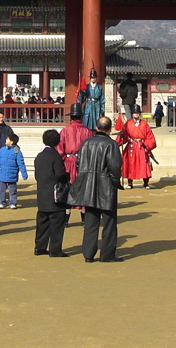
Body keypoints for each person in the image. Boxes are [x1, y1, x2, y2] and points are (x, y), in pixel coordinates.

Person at [68, 116, 124, 262]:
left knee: (91, 221)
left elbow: (79, 163)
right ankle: (107, 254)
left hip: (88, 184)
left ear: (97, 128)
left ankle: (88, 254)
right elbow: (115, 166)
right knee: (109, 222)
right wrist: (115, 181)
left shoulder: (86, 143)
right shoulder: (111, 145)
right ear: (110, 129)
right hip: (106, 185)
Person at [34, 129, 69, 257]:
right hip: (55, 195)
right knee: (57, 224)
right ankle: (55, 249)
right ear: (58, 141)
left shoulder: (39, 156)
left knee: (42, 223)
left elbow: (37, 175)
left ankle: (40, 247)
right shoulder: (56, 156)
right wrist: (67, 176)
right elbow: (60, 175)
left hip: (42, 193)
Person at [116, 106, 156, 189]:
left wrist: (147, 144)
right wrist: (121, 137)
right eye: (134, 113)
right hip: (131, 145)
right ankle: (130, 183)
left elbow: (150, 136)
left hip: (141, 145)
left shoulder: (144, 124)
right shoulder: (128, 123)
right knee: (130, 163)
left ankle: (146, 182)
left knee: (144, 163)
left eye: (137, 113)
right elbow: (124, 134)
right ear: (132, 114)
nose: (136, 115)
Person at [57, 102, 93, 183]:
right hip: (84, 163)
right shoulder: (88, 131)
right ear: (81, 117)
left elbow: (60, 151)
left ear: (71, 117)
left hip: (68, 163)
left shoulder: (64, 131)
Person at [0, 133, 28, 208]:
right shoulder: (2, 150)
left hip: (12, 174)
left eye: (7, 139)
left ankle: (13, 202)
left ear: (11, 142)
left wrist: (24, 173)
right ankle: (1, 202)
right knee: (1, 190)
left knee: (12, 190)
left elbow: (21, 163)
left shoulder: (17, 151)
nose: (6, 140)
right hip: (2, 174)